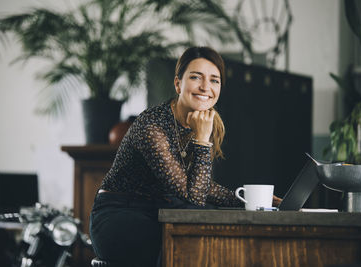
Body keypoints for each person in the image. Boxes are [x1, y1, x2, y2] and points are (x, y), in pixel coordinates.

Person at [89, 46, 282, 267]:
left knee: (211, 230)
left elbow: (199, 187)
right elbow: (193, 200)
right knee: (190, 237)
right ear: (178, 83)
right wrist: (201, 141)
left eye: (214, 80)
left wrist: (250, 201)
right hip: (119, 215)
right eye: (195, 77)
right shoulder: (152, 125)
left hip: (160, 211)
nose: (205, 87)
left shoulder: (204, 123)